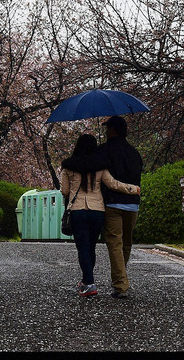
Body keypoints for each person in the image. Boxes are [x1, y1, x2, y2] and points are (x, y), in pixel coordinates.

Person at [62, 115, 143, 298]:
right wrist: (133, 189)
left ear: (113, 130)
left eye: (107, 128)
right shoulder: (132, 153)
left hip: (103, 206)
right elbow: (118, 180)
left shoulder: (100, 154)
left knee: (108, 244)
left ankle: (106, 283)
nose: (105, 131)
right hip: (121, 206)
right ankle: (119, 279)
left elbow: (67, 189)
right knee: (125, 244)